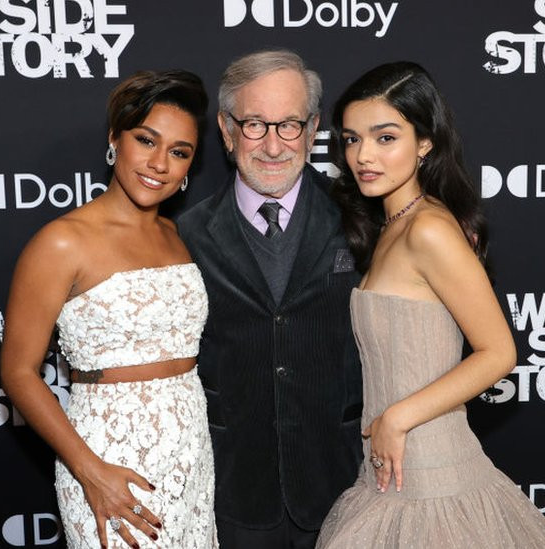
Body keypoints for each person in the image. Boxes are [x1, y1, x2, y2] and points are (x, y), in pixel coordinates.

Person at [316, 62, 545, 548]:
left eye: (385, 138)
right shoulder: (393, 225)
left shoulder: (429, 229)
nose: (363, 156)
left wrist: (397, 417)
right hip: (391, 471)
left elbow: (498, 353)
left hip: (431, 474)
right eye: (351, 139)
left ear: (424, 143)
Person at [0, 70, 217, 549]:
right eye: (146, 140)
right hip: (107, 457)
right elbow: (18, 372)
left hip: (190, 453)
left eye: (179, 152)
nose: (160, 163)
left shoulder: (174, 236)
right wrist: (90, 471)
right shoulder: (62, 241)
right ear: (115, 140)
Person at [176, 50, 363, 548]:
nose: (275, 145)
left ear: (314, 127)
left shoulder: (362, 220)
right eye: (256, 124)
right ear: (227, 128)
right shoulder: (184, 235)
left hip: (345, 478)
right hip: (235, 485)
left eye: (290, 125)